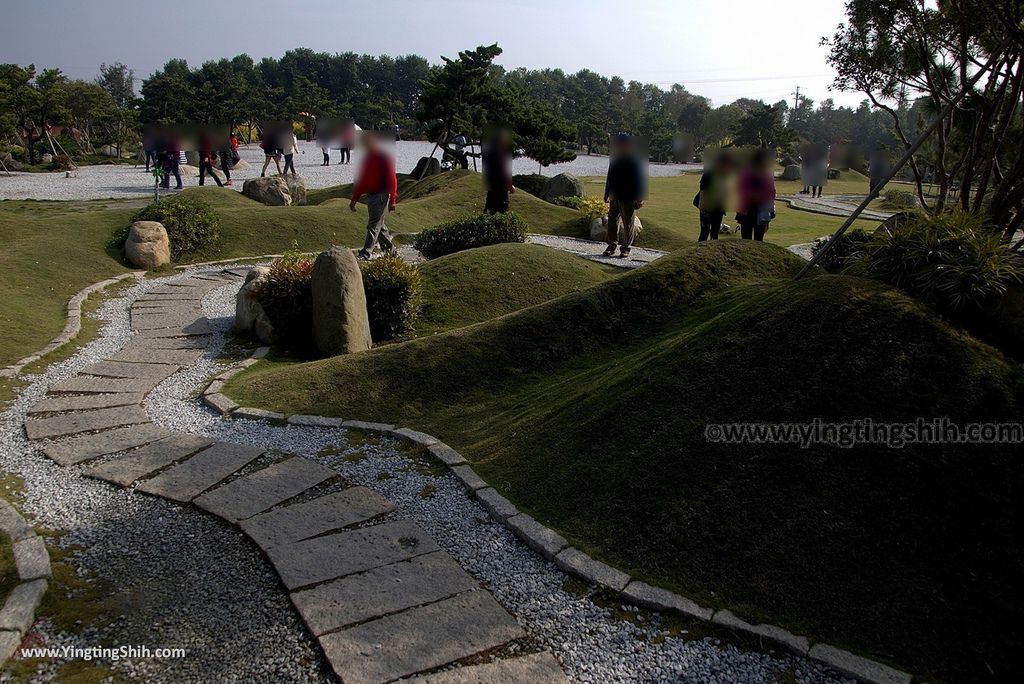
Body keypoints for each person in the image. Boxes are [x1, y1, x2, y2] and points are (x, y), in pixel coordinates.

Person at [350, 131, 398, 260]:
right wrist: (354, 199)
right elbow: (362, 180)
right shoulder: (367, 158)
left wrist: (393, 199)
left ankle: (366, 253)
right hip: (371, 196)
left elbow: (392, 179)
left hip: (381, 195)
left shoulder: (383, 157)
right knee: (379, 225)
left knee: (373, 225)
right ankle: (391, 251)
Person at [602, 133, 646, 258]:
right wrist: (606, 192)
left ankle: (626, 248)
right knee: (612, 222)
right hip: (615, 194)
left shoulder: (634, 159)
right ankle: (611, 245)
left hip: (628, 195)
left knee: (628, 223)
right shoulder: (615, 158)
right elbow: (610, 176)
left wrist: (640, 197)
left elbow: (639, 179)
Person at [736, 148, 776, 241]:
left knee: (759, 238)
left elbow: (772, 192)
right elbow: (741, 188)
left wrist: (762, 196)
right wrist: (752, 195)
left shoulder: (767, 174)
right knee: (746, 239)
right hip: (747, 209)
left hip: (762, 210)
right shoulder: (746, 173)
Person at [696, 151, 733, 241]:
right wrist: (703, 208)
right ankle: (700, 252)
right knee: (705, 232)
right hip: (707, 207)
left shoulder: (724, 175)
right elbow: (703, 191)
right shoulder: (709, 174)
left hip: (719, 207)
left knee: (715, 233)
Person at [481, 129, 515, 213]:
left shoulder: (490, 151)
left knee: (491, 212)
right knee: (501, 214)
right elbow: (502, 172)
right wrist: (510, 186)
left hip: (492, 189)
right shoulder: (499, 153)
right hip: (500, 190)